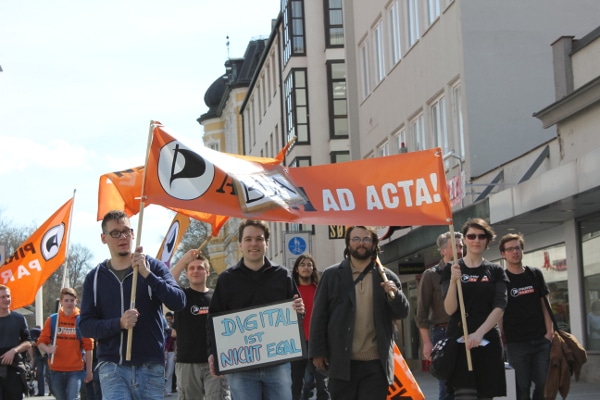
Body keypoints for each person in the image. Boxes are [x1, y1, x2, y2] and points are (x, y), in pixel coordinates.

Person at [79, 210, 186, 400]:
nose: (123, 237)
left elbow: (178, 301)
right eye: (115, 233)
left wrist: (147, 274)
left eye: (127, 231)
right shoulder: (94, 278)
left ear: (133, 234)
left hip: (151, 366)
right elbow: (86, 326)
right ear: (104, 238)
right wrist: (118, 324)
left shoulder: (153, 267)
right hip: (112, 367)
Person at [208, 219, 305, 400]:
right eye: (248, 239)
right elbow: (213, 319)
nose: (254, 244)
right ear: (241, 244)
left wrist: (300, 309)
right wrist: (212, 352)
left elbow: (296, 313)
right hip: (241, 368)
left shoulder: (283, 275)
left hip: (278, 364)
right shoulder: (227, 279)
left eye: (259, 239)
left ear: (266, 243)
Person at [309, 226, 410, 400]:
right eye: (356, 239)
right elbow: (319, 316)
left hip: (376, 364)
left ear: (374, 243)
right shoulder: (331, 275)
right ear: (348, 244)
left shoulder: (387, 277)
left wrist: (394, 295)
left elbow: (402, 313)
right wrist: (317, 351)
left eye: (366, 239)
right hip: (341, 361)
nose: (361, 244)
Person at [441, 218, 508, 400]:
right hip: (460, 340)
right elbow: (449, 309)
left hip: (487, 341)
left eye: (481, 236)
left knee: (486, 395)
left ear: (487, 240)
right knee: (465, 395)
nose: (476, 240)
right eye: (471, 236)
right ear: (464, 240)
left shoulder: (495, 270)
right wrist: (454, 282)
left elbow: (500, 306)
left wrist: (479, 334)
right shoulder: (451, 268)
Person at [171, 249, 230, 400]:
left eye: (200, 268)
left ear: (208, 272)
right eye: (191, 268)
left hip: (215, 362)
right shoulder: (180, 296)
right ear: (186, 273)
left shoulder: (217, 296)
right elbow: (167, 281)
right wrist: (184, 260)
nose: (196, 271)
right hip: (187, 363)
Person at [499, 233, 553, 400]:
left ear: (522, 250)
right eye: (510, 249)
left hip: (541, 340)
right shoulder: (502, 280)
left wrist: (549, 332)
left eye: (517, 248)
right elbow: (499, 311)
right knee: (521, 388)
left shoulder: (534, 274)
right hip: (516, 344)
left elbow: (545, 304)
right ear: (503, 254)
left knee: (544, 383)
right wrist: (500, 338)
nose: (514, 252)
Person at [416, 231, 463, 400]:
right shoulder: (431, 274)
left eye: (461, 246)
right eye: (455, 246)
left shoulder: (470, 270)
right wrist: (427, 343)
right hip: (443, 333)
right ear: (443, 251)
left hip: (469, 332)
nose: (459, 249)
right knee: (446, 386)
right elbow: (421, 312)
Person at [38, 287, 93, 400]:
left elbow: (89, 347)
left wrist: (89, 371)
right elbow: (41, 342)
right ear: (61, 302)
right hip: (56, 369)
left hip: (75, 369)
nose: (69, 303)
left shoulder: (81, 320)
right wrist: (48, 349)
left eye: (72, 300)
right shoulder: (53, 320)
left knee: (73, 397)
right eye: (66, 300)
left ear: (76, 301)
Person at [290, 254, 329, 400]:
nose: (306, 267)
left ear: (313, 269)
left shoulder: (320, 290)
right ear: (297, 269)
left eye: (309, 265)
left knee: (322, 385)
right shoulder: (291, 292)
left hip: (318, 342)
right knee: (299, 385)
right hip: (298, 344)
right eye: (302, 265)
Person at [0, 284, 32, 400]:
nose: (6, 300)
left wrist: (14, 351)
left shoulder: (19, 318)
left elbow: (28, 342)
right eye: (2, 297)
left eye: (8, 296)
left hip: (13, 367)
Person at [29, 325, 50, 397]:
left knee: (42, 374)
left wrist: (32, 358)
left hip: (42, 354)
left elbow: (32, 345)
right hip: (43, 354)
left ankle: (42, 392)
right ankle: (51, 391)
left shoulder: (31, 332)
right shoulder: (38, 332)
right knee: (46, 374)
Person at [164, 311, 176, 397]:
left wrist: (176, 352)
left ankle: (168, 390)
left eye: (170, 319)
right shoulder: (163, 326)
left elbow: (175, 340)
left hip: (171, 352)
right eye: (167, 319)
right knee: (162, 372)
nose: (168, 320)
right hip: (164, 351)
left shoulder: (174, 327)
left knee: (170, 372)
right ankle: (162, 389)